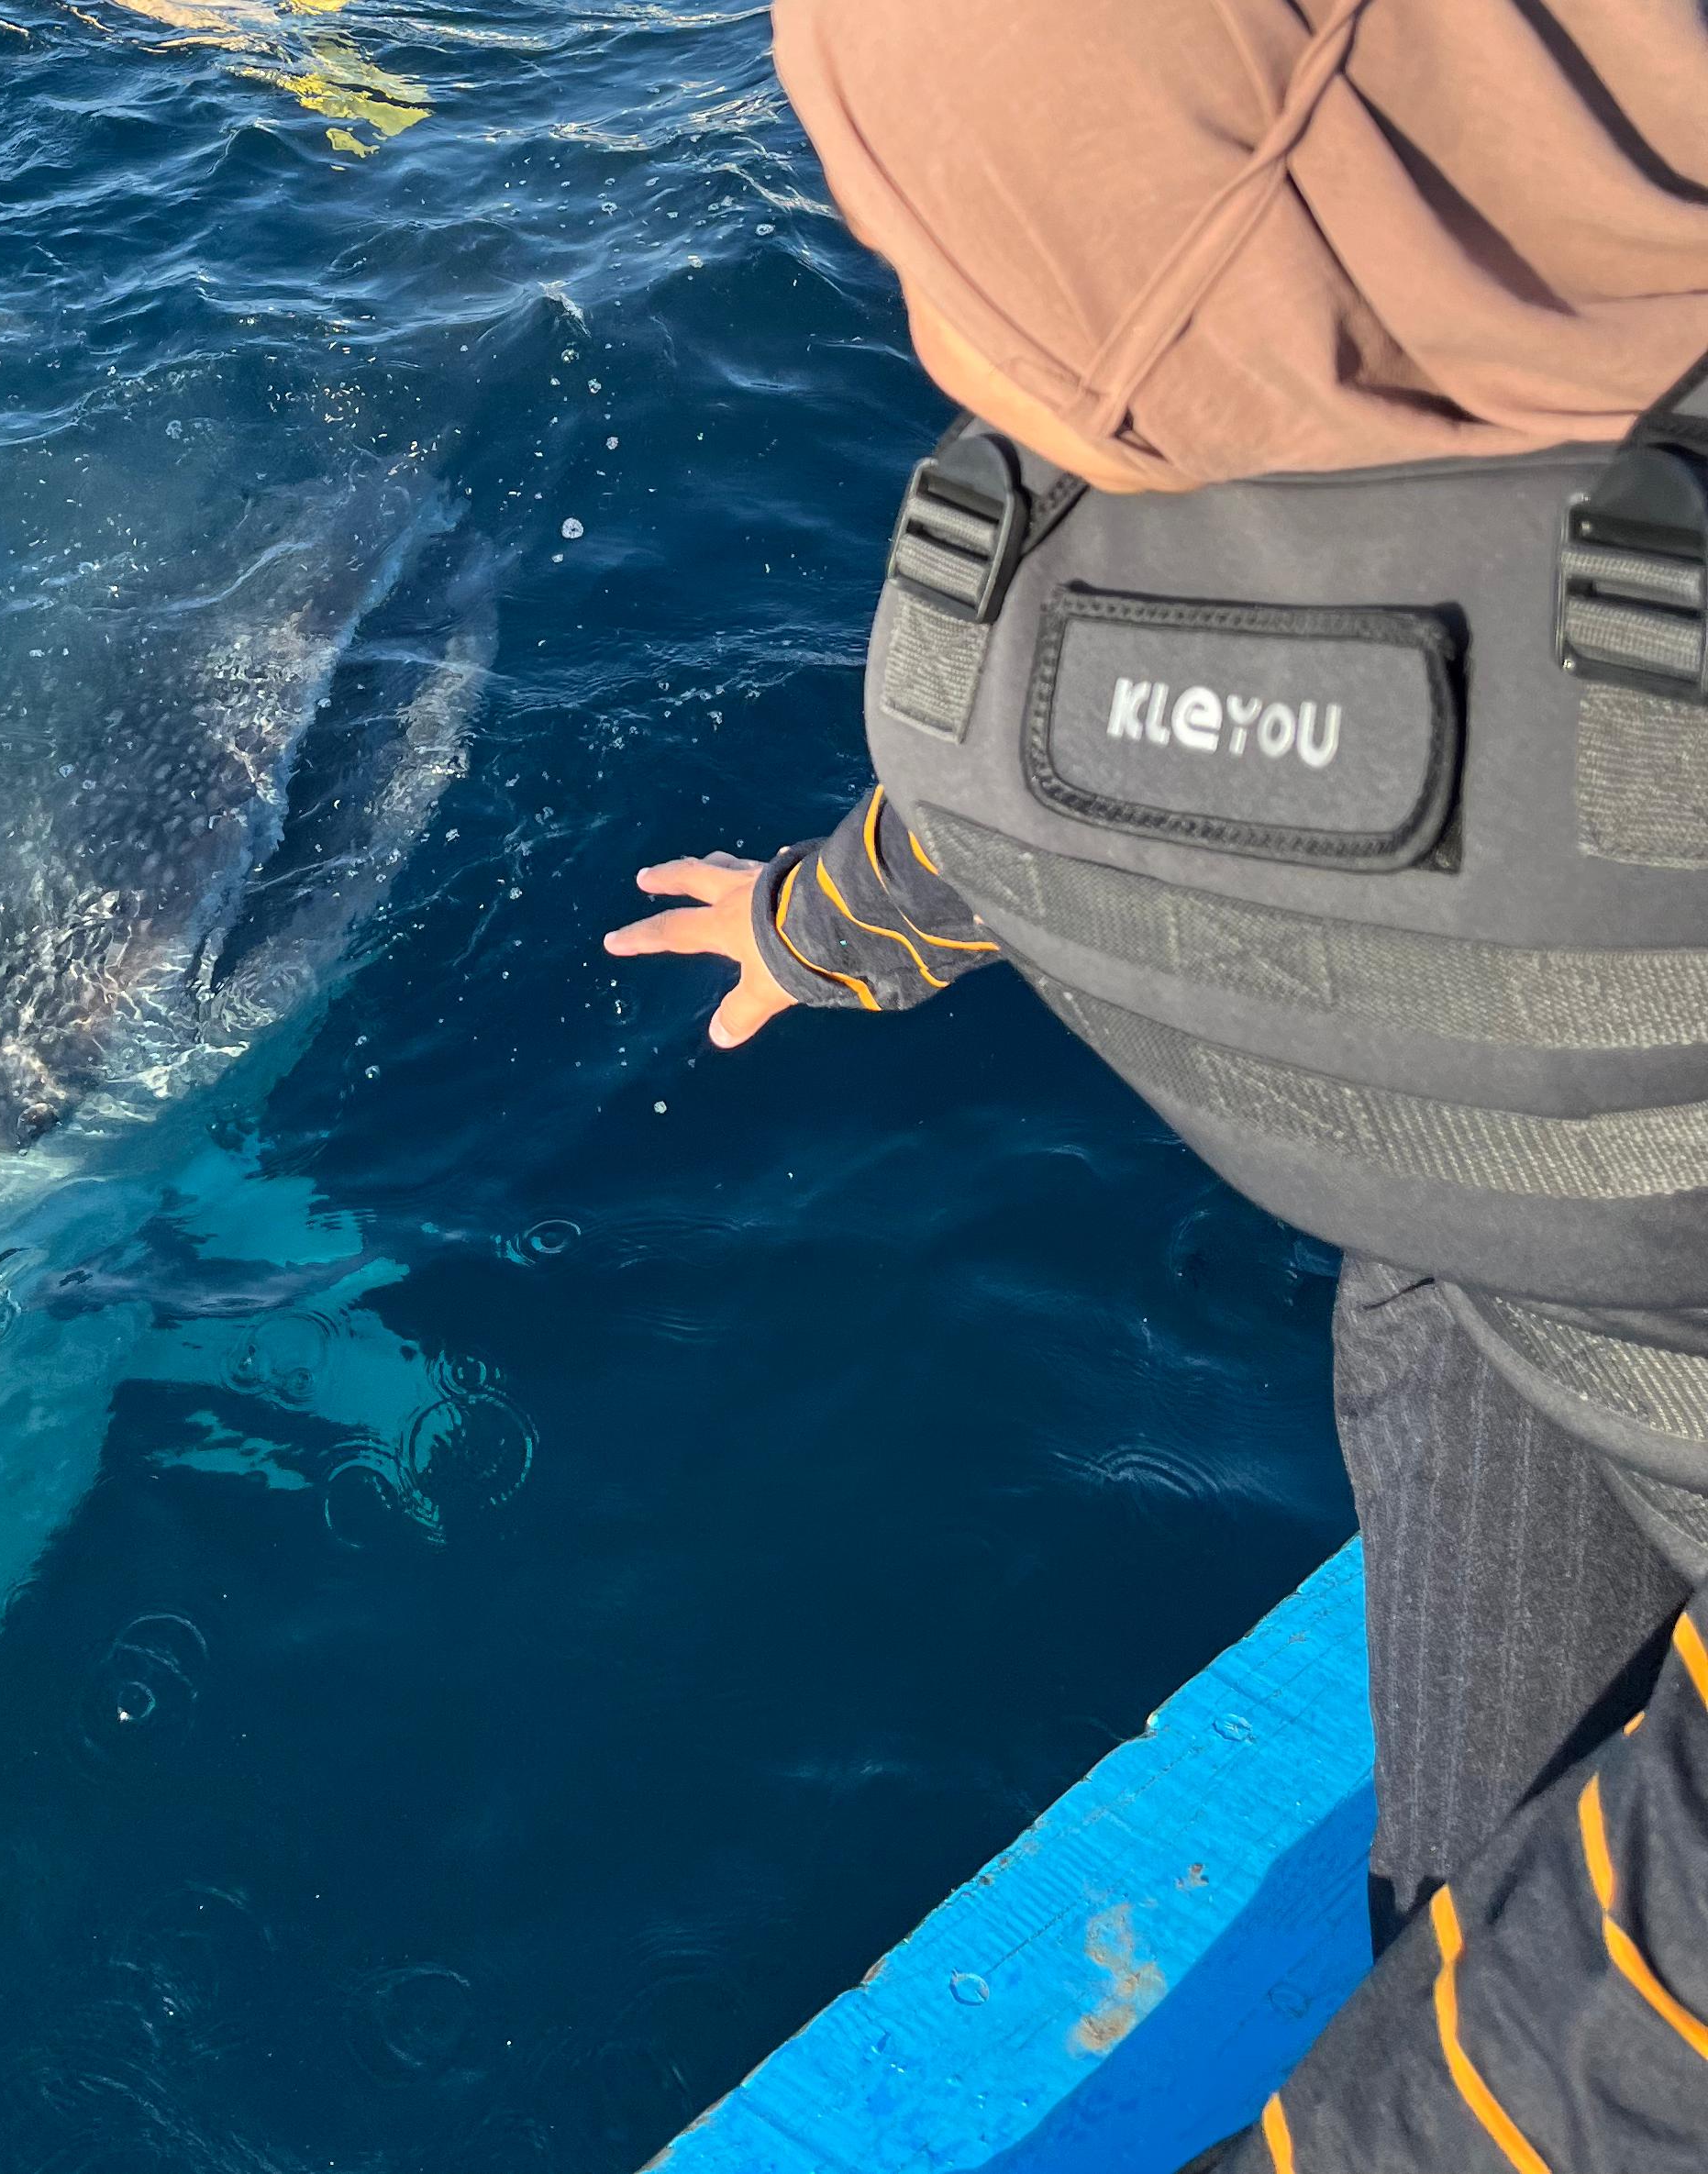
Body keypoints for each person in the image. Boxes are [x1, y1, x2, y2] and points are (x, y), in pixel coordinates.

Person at [605, 0, 1708, 2161]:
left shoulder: (994, 683)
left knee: (1466, 1827)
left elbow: (1001, 796)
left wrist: (806, 935)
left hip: (1486, 1255)